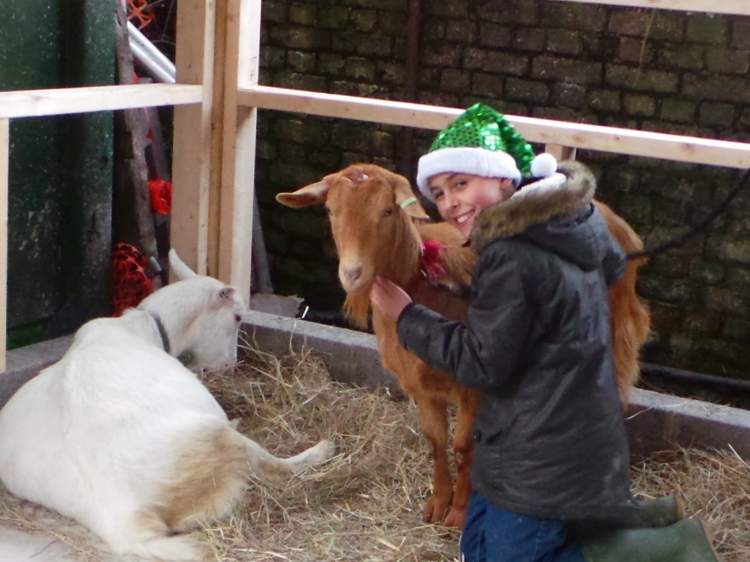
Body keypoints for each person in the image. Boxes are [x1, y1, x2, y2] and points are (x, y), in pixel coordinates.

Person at [370, 103, 721, 562]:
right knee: (475, 546)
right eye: (438, 191)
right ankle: (647, 523)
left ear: (501, 179)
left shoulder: (512, 254)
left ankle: (668, 552)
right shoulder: (552, 231)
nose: (449, 201)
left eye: (461, 183)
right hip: (543, 431)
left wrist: (408, 314)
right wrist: (465, 289)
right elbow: (536, 311)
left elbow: (482, 362)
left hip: (542, 453)